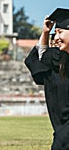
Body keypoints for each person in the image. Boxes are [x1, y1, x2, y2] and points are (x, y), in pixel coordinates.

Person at [25, 8, 69, 150]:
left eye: (60, 32)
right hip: (60, 126)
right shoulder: (59, 59)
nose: (55, 38)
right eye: (54, 33)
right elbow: (40, 58)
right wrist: (45, 32)